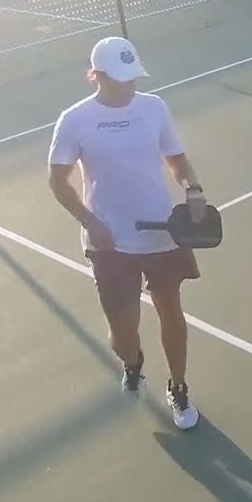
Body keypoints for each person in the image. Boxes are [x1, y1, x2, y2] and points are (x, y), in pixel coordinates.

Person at [47, 35, 207, 430]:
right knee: (122, 334)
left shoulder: (154, 109)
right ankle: (133, 363)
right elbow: (58, 183)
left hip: (160, 234)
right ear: (97, 76)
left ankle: (179, 387)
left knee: (172, 311)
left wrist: (194, 188)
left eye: (133, 76)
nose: (130, 84)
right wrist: (91, 223)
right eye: (121, 77)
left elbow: (179, 162)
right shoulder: (75, 119)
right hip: (109, 244)